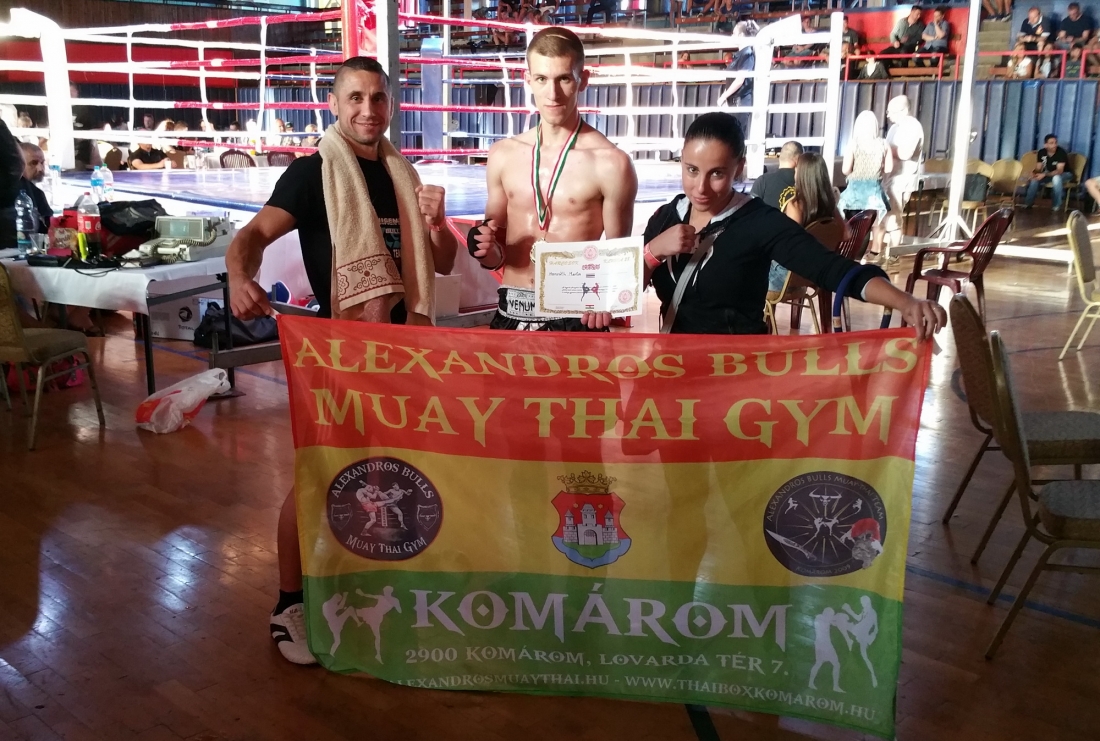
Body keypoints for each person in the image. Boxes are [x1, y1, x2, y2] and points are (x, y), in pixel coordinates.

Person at [226, 56, 457, 665]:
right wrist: (238, 275)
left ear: (391, 105)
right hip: (344, 352)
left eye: (378, 98)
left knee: (394, 474)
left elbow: (442, 260)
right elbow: (252, 236)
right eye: (355, 97)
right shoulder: (313, 174)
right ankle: (288, 604)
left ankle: (378, 581)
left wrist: (436, 222)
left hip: (405, 351)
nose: (368, 110)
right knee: (320, 473)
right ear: (333, 104)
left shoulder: (403, 173)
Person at [640, 112, 945, 337]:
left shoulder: (759, 222)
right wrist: (653, 251)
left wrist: (905, 302)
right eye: (692, 170)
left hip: (734, 376)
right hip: (673, 369)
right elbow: (623, 291)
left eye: (717, 173)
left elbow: (830, 269)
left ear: (739, 168)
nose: (701, 187)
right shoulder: (666, 217)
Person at [469, 27, 638, 332]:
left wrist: (608, 300)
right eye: (542, 79)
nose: (552, 94)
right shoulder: (502, 155)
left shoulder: (611, 163)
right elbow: (496, 255)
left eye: (564, 79)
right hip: (511, 310)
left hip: (575, 316)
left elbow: (619, 259)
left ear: (583, 80)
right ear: (528, 80)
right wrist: (485, 249)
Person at [767, 152, 850, 295]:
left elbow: (789, 248)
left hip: (788, 277)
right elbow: (846, 235)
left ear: (802, 175)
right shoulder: (829, 205)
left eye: (797, 169)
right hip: (818, 271)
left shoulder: (796, 206)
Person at [838, 110, 892, 262]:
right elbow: (888, 168)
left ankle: (847, 257)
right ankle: (863, 257)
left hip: (855, 193)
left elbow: (845, 170)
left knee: (852, 226)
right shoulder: (883, 144)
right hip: (874, 193)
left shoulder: (853, 144)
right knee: (868, 226)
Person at [883, 95, 924, 256]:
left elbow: (906, 153)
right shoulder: (894, 127)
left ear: (904, 110)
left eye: (891, 111)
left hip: (901, 180)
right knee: (886, 217)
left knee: (894, 218)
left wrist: (885, 148)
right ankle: (884, 252)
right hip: (889, 178)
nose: (888, 115)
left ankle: (894, 254)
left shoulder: (913, 127)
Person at [716, 21, 759, 135]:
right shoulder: (740, 55)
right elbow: (732, 80)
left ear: (741, 35)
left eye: (734, 33)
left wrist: (724, 96)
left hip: (740, 102)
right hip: (733, 102)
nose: (732, 36)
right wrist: (725, 97)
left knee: (736, 136)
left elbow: (740, 80)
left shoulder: (747, 54)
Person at [750, 140, 801, 211]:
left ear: (780, 157)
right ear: (798, 160)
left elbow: (751, 211)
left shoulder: (763, 181)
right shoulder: (806, 182)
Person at [1023, 133, 1070, 211]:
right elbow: (1038, 168)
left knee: (1056, 178)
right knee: (1034, 180)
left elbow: (1059, 171)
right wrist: (1033, 173)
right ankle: (1028, 204)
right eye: (1051, 143)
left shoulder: (1061, 152)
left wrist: (1044, 174)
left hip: (1065, 174)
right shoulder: (1041, 152)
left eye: (1055, 142)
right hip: (1048, 174)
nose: (1054, 145)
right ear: (1046, 145)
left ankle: (1056, 206)